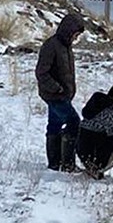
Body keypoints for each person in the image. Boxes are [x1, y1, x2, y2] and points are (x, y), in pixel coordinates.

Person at [35, 13, 86, 172]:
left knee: (54, 126)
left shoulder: (66, 46)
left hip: (63, 95)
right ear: (69, 31)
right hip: (55, 96)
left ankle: (54, 163)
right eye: (75, 34)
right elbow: (41, 72)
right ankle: (68, 164)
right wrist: (56, 88)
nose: (76, 38)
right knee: (74, 122)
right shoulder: (51, 46)